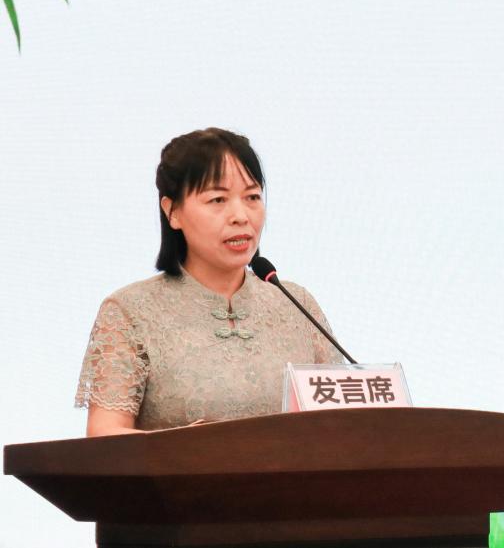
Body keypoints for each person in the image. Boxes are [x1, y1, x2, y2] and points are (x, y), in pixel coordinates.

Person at [74, 128, 342, 436]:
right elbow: (106, 434)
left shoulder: (296, 303)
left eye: (252, 197)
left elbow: (343, 420)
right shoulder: (130, 311)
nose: (241, 216)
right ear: (172, 211)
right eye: (217, 199)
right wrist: (190, 447)